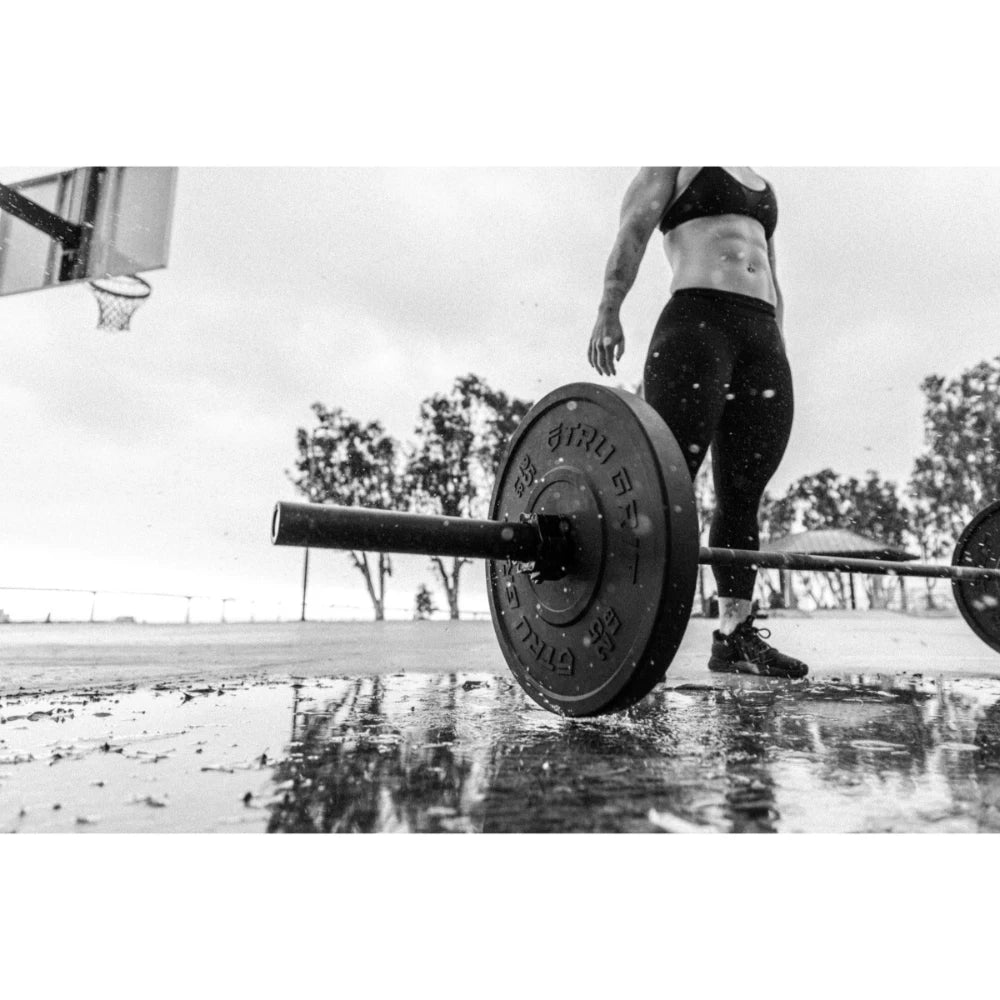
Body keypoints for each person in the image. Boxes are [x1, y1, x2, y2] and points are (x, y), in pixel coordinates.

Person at [588, 166, 807, 678]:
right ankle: (631, 630)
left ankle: (734, 636)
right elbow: (632, 233)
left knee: (743, 494)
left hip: (761, 337)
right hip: (697, 325)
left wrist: (776, 345)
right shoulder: (675, 162)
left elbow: (770, 271)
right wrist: (608, 308)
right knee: (666, 486)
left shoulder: (763, 184)